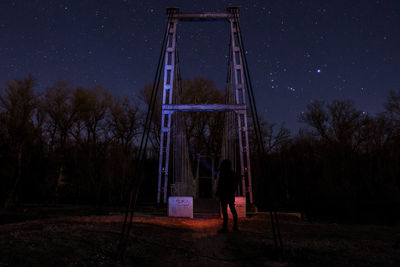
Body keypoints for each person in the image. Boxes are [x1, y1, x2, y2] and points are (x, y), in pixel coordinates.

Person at [216, 159, 239, 233]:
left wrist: (218, 194)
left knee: (225, 211)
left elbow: (220, 185)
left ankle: (225, 227)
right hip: (230, 195)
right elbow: (235, 184)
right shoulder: (232, 173)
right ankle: (235, 226)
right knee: (233, 210)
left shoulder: (222, 173)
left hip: (223, 195)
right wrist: (233, 191)